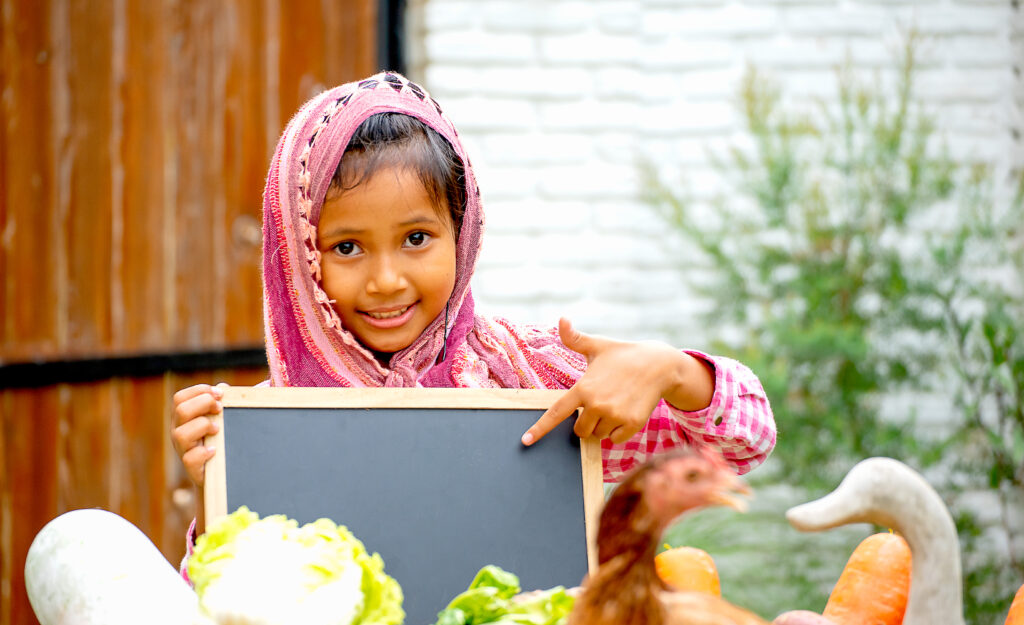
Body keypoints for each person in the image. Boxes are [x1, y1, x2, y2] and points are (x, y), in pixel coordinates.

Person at [172, 71, 776, 567]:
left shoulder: (536, 383)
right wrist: (221, 489)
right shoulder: (272, 424)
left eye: (416, 238)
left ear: (462, 234)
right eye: (347, 247)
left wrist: (670, 371)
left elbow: (743, 445)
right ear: (299, 258)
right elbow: (220, 599)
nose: (387, 280)